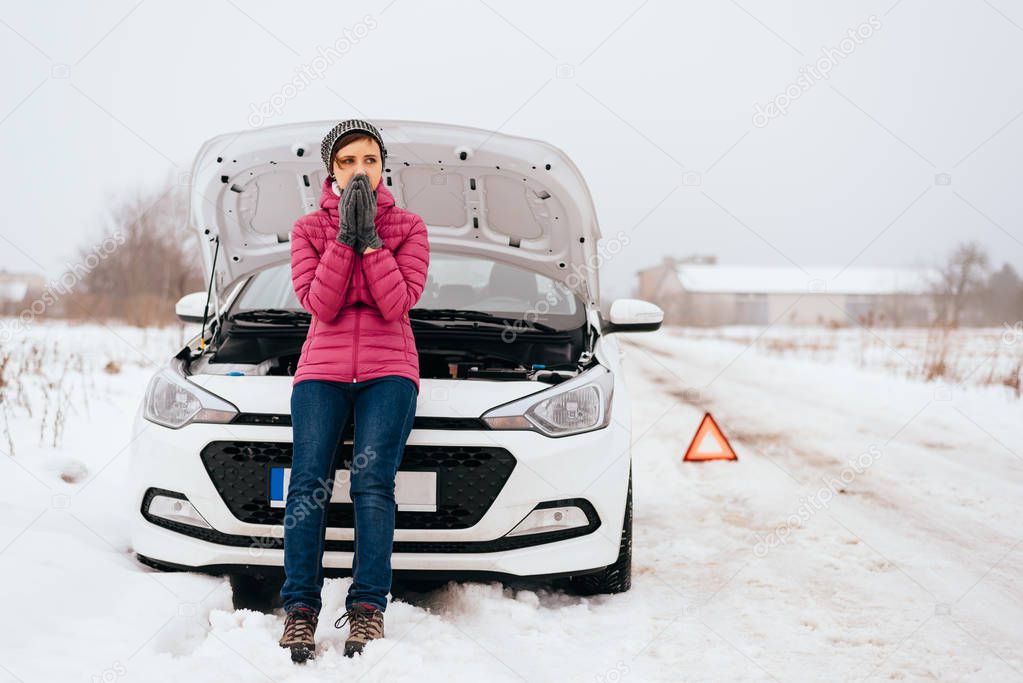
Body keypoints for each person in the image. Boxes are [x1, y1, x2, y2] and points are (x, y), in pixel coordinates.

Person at [276, 119, 430, 662]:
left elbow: (397, 303)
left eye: (368, 159)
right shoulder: (306, 229)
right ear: (331, 172)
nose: (359, 170)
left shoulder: (409, 226)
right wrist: (344, 235)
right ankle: (300, 609)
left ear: (383, 166)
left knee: (372, 484)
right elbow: (321, 304)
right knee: (307, 485)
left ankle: (367, 609)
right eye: (347, 162)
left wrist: (370, 241)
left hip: (390, 369)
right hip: (322, 370)